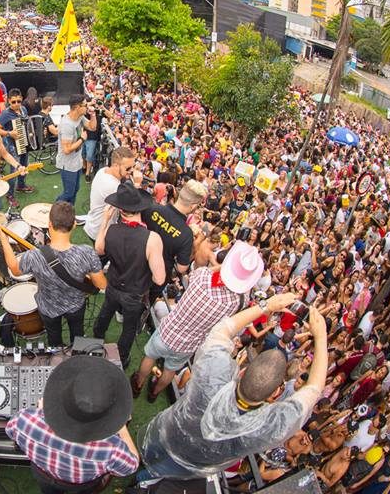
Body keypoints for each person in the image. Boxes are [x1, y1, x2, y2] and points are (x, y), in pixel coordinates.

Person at [139, 292, 329, 479]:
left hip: (169, 431)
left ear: (243, 370)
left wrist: (267, 306)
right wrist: (321, 339)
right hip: (195, 462)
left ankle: (138, 465)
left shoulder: (215, 372)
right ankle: (140, 480)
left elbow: (222, 329)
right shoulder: (267, 427)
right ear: (275, 394)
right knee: (152, 476)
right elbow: (314, 389)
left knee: (148, 453)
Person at [133, 239, 264, 403]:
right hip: (189, 344)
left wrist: (224, 268)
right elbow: (243, 292)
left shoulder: (203, 276)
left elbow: (194, 274)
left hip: (169, 329)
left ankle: (137, 386)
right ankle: (154, 394)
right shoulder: (239, 301)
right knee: (170, 370)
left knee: (150, 356)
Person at [5, 356, 139, 493]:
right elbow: (132, 465)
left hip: (44, 475)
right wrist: (121, 426)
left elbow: (10, 430)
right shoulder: (113, 450)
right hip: (82, 485)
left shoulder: (25, 421)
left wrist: (41, 412)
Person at [0, 202, 107, 347]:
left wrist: (4, 240)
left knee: (53, 337)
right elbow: (101, 284)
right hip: (75, 305)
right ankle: (78, 354)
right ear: (74, 224)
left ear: (49, 224)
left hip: (48, 307)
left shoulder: (34, 256)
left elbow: (15, 269)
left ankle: (56, 353)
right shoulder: (86, 252)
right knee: (78, 334)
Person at [93, 183, 166, 368]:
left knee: (104, 315)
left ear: (119, 209)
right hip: (134, 294)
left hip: (114, 286)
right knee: (128, 328)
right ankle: (121, 359)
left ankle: (95, 344)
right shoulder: (152, 239)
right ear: (140, 207)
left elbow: (99, 249)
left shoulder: (111, 230)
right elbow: (159, 279)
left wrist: (105, 220)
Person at [141, 180, 207, 291]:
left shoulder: (153, 208)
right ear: (193, 206)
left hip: (134, 261)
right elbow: (182, 268)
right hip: (155, 278)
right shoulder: (186, 234)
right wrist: (197, 242)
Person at [84, 147, 136, 243]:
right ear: (116, 165)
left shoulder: (103, 170)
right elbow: (133, 205)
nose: (131, 170)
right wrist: (137, 184)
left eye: (133, 166)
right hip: (100, 232)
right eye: (128, 168)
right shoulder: (112, 186)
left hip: (94, 224)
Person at [56, 93, 98, 207]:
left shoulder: (79, 117)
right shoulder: (67, 124)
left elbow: (92, 127)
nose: (87, 107)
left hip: (76, 163)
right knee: (68, 193)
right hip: (67, 165)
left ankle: (70, 213)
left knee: (75, 189)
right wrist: (81, 139)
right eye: (85, 105)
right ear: (77, 107)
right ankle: (55, 210)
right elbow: (66, 149)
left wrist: (93, 114)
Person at [0, 88, 35, 198]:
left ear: (22, 99)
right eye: (13, 102)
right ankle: (10, 194)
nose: (16, 104)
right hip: (12, 145)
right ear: (9, 101)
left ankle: (21, 185)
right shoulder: (6, 113)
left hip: (23, 143)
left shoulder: (23, 109)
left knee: (24, 165)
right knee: (14, 169)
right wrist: (9, 133)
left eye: (19, 101)